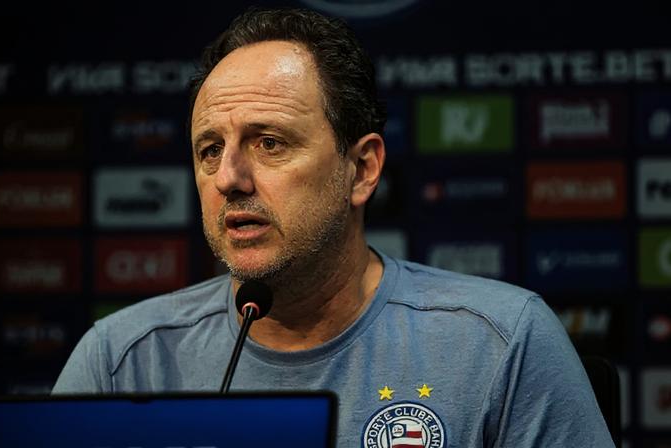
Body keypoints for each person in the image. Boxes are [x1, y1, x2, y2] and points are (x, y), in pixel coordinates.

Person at [53, 7, 615, 447]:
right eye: (209, 150)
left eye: (269, 143)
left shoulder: (500, 343)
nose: (229, 178)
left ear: (362, 169)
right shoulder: (121, 360)